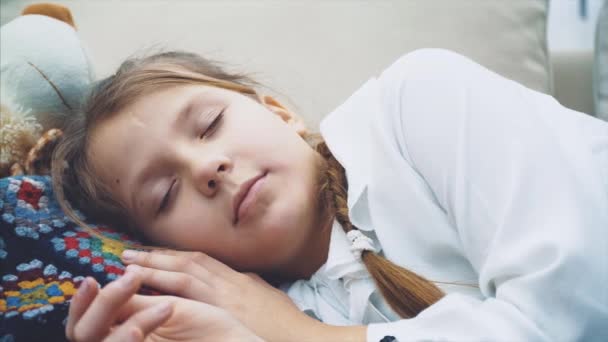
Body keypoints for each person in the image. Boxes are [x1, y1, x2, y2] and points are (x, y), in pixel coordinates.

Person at [51, 48, 608, 341]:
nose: (209, 167)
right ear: (169, 249)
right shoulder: (261, 314)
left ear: (279, 113)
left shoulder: (415, 102)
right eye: (166, 194)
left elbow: (574, 316)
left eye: (210, 124)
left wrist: (304, 338)